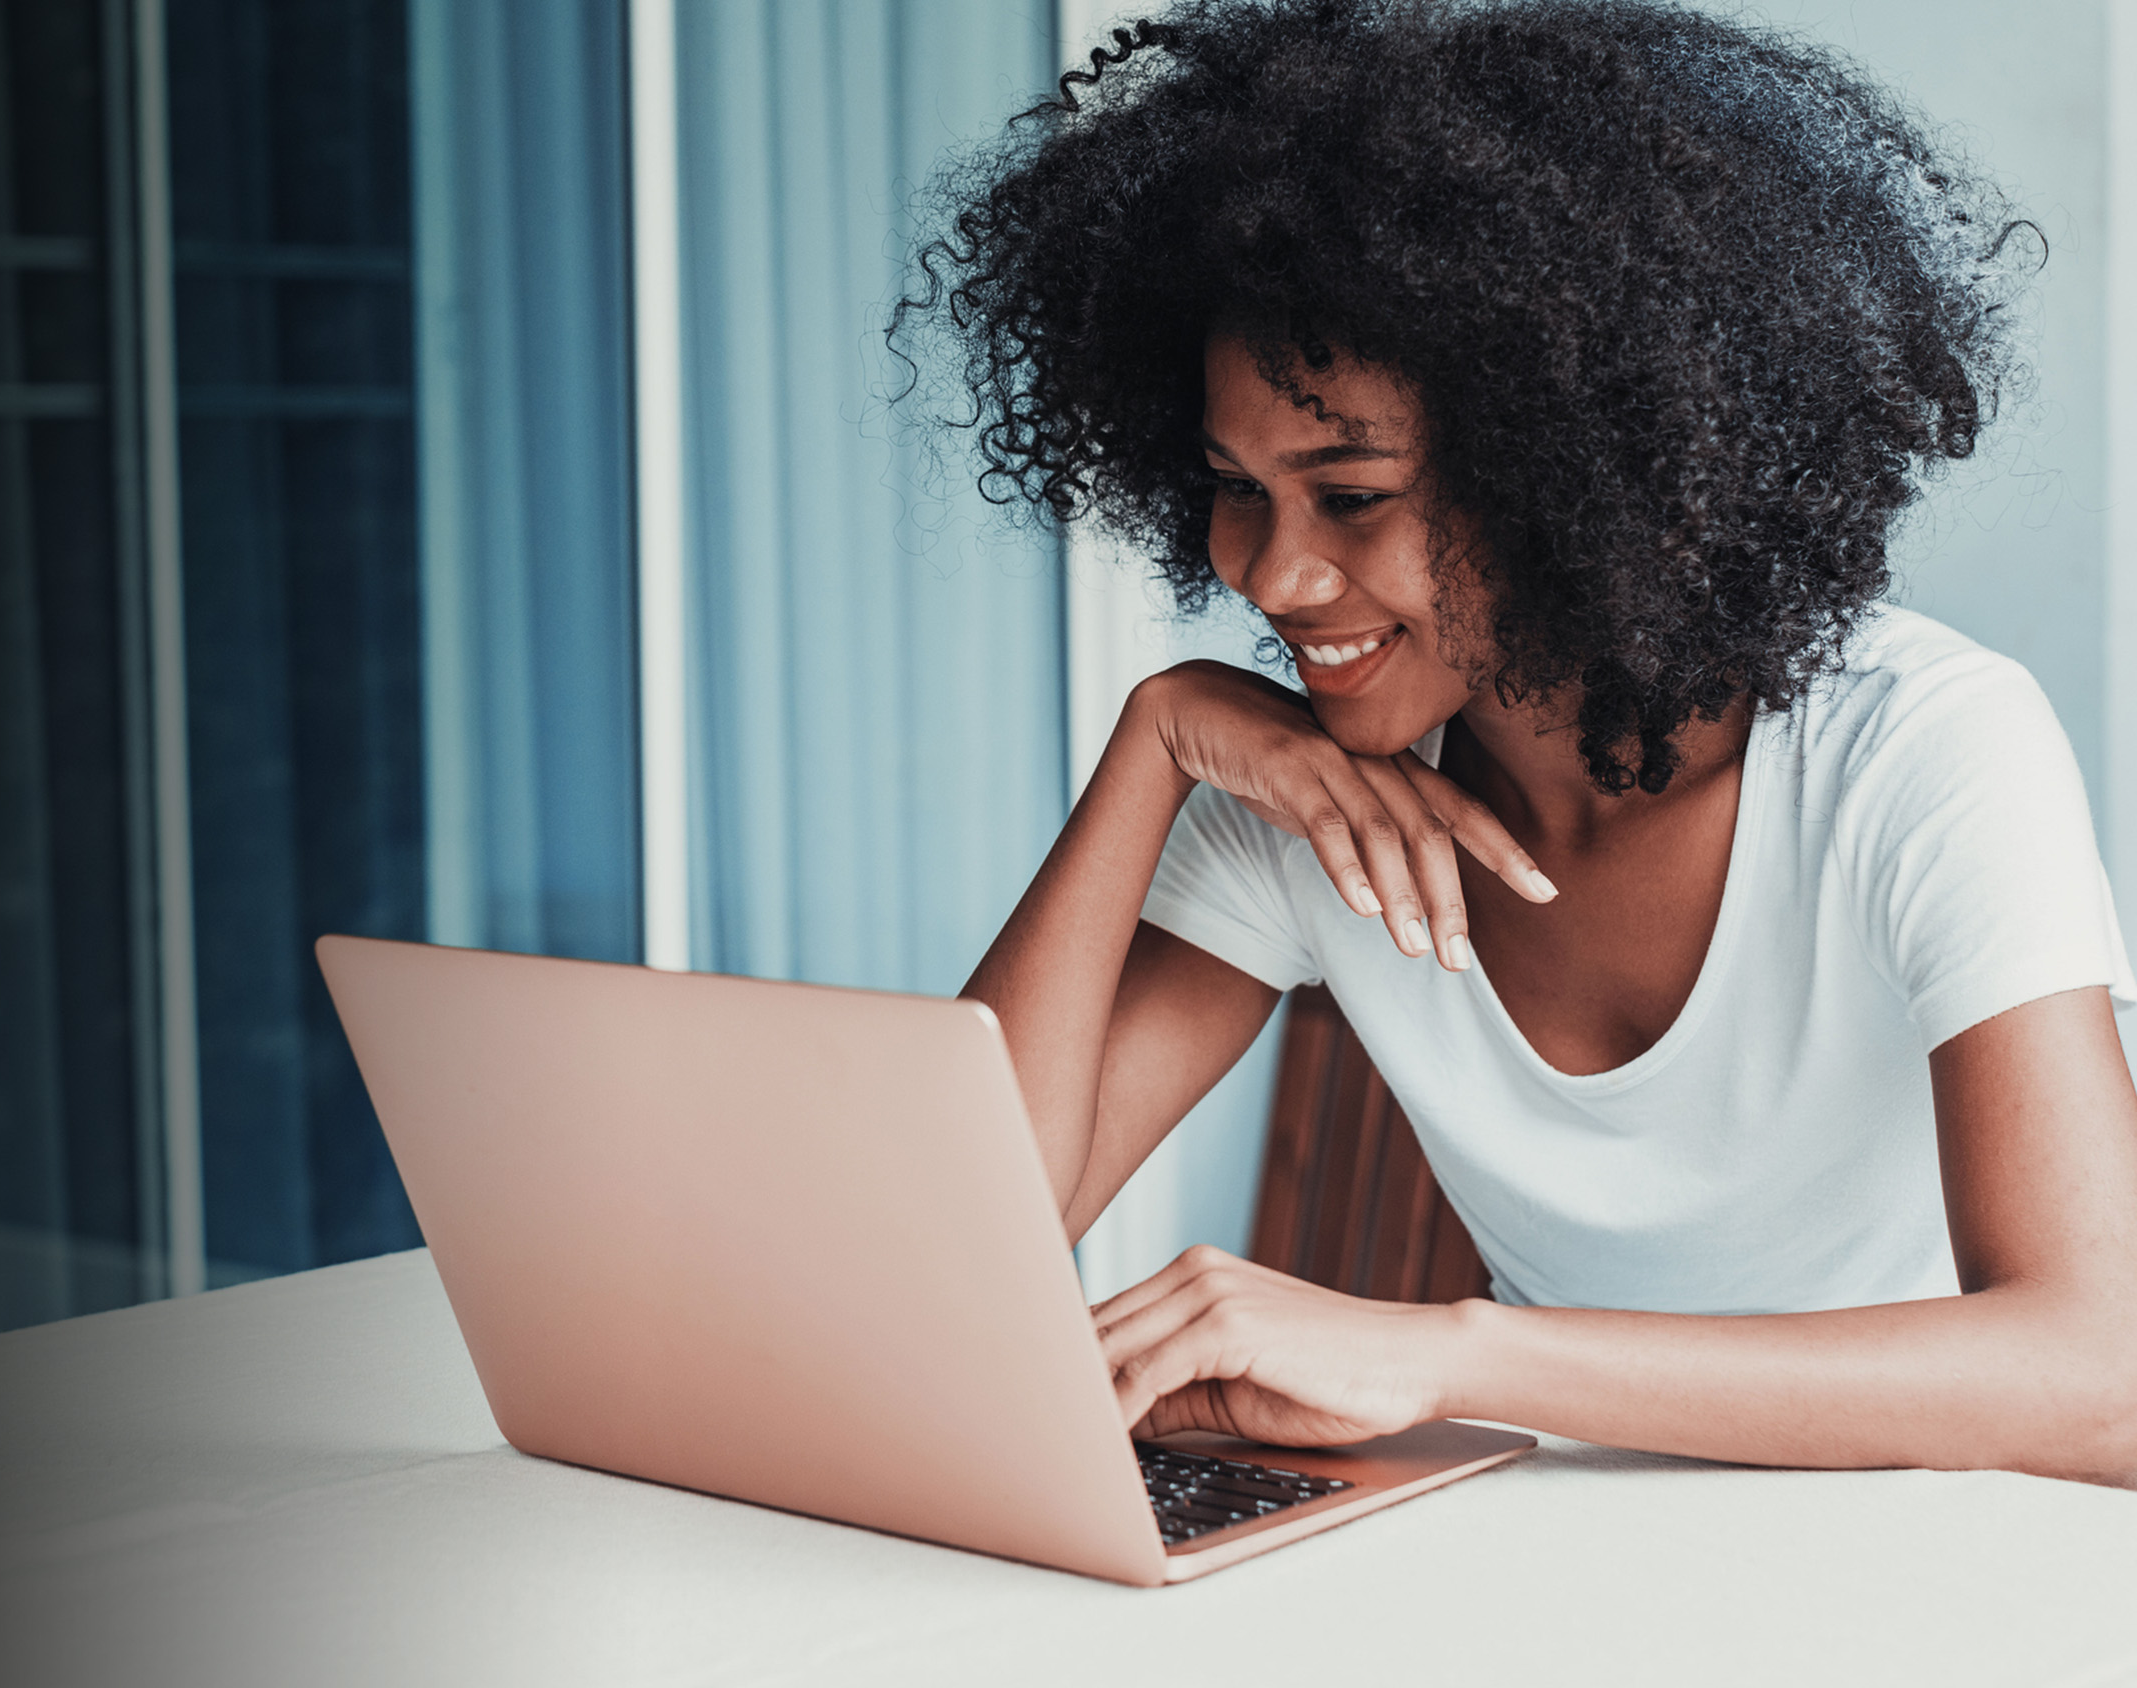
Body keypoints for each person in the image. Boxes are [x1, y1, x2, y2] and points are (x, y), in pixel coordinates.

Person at [905, 0, 2137, 1481]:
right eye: (1235, 487)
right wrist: (1151, 745)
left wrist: (1453, 1350)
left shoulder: (1917, 750)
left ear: (1569, 471)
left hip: (1930, 1556)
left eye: (1350, 495)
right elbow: (954, 1261)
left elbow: (2099, 1372)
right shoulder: (1312, 800)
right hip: (1553, 1567)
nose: (1273, 576)